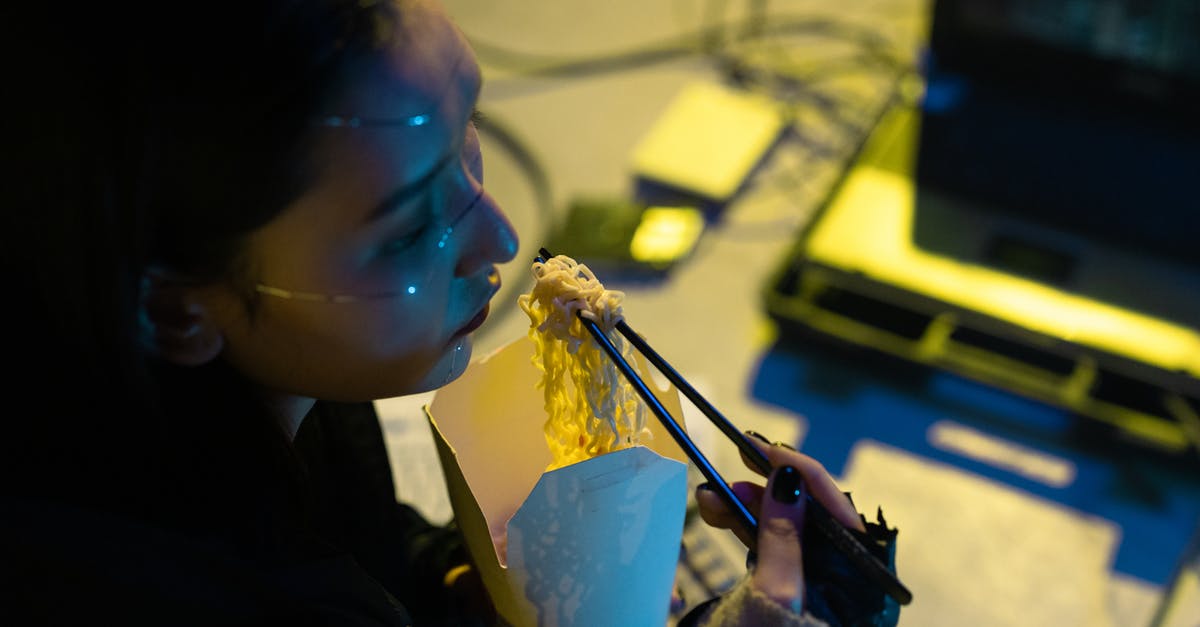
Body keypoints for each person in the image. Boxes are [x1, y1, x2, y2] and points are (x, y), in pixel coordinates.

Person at [1, 1, 898, 625]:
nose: (501, 239)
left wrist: (458, 588)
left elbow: (369, 549)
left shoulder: (276, 378)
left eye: (468, 124)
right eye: (405, 229)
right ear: (176, 307)